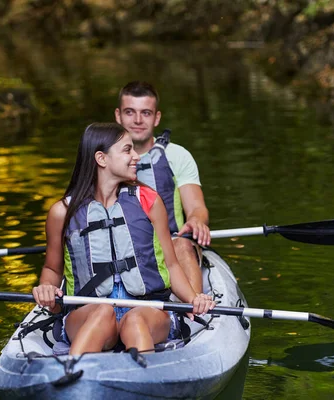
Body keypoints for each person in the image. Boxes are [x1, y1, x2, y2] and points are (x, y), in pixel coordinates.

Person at [32, 122, 215, 356]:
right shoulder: (62, 212)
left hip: (147, 309)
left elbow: (171, 265)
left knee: (134, 319)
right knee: (102, 312)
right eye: (127, 150)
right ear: (102, 159)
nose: (136, 156)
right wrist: (46, 288)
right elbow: (51, 269)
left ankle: (144, 382)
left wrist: (193, 299)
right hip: (88, 312)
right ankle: (72, 379)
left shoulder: (149, 201)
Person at [115, 81, 209, 293]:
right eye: (130, 112)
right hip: (122, 245)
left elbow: (197, 207)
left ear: (156, 117)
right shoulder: (103, 158)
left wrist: (196, 220)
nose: (138, 120)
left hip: (173, 240)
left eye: (146, 113)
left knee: (182, 246)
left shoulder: (178, 155)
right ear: (118, 115)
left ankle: (195, 309)